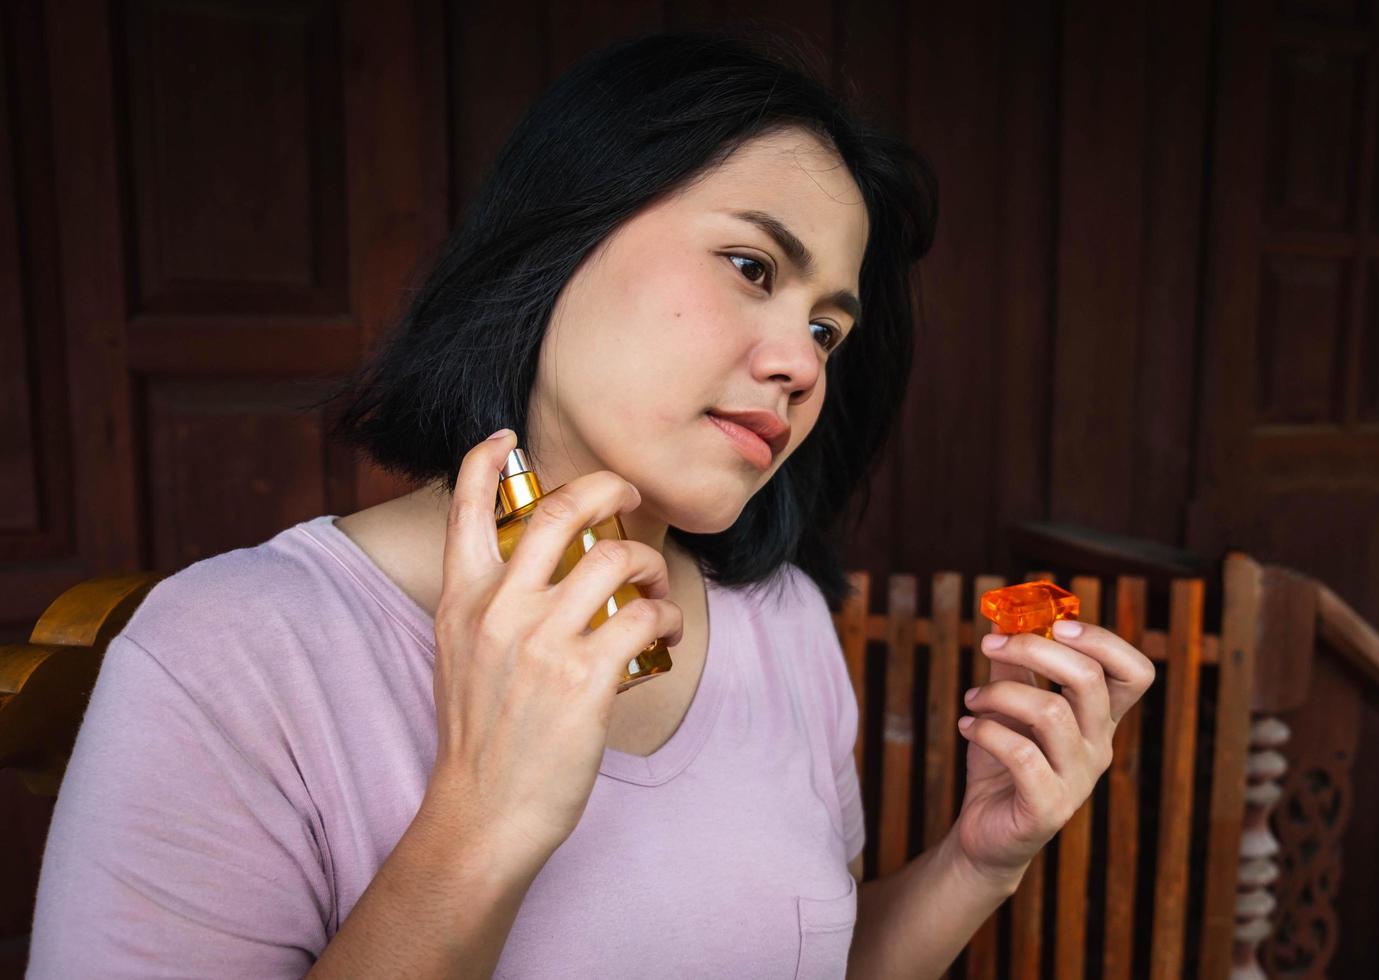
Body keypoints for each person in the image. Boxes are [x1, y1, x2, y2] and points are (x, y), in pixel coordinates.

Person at [27, 27, 1154, 980]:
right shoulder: (228, 655)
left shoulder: (785, 628)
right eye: (754, 267)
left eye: (828, 329)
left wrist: (979, 856)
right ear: (558, 239)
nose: (802, 365)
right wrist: (483, 821)